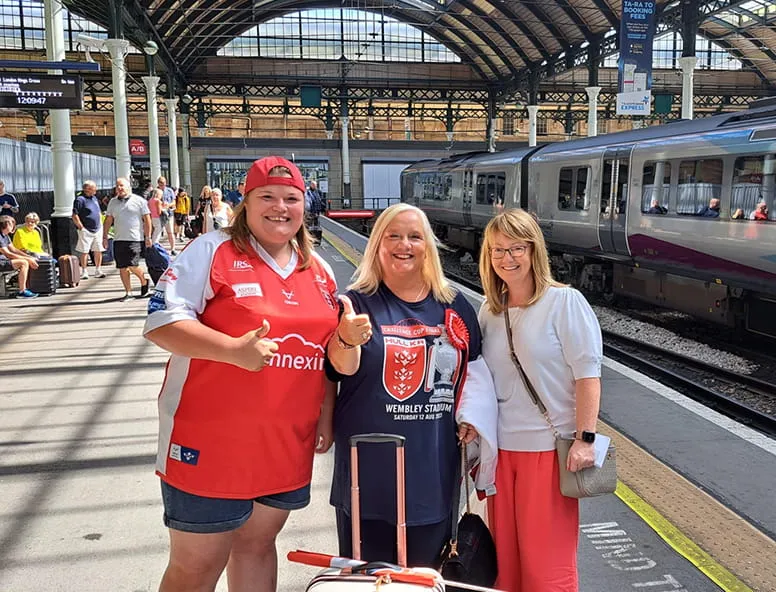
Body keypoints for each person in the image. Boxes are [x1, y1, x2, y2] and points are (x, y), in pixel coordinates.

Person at [143, 156, 358, 592]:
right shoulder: (213, 249)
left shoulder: (317, 270)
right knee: (198, 564)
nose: (280, 207)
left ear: (305, 205)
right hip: (210, 440)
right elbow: (161, 323)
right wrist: (233, 351)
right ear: (246, 202)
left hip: (283, 440)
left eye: (291, 199)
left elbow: (322, 353)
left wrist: (325, 412)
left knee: (257, 545)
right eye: (267, 197)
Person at [326, 202, 497, 567]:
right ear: (377, 245)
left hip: (431, 474)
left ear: (428, 247)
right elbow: (340, 368)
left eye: (414, 236)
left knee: (424, 578)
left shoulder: (454, 306)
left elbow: (476, 374)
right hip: (365, 475)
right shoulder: (354, 303)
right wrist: (344, 338)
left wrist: (472, 417)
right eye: (393, 236)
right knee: (367, 583)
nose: (404, 244)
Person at [477, 209, 602, 592]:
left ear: (534, 251)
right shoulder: (489, 311)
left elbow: (588, 374)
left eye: (517, 247)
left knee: (547, 567)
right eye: (498, 249)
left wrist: (585, 438)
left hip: (549, 452)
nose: (507, 258)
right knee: (506, 566)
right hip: (500, 452)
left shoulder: (564, 302)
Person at [102, 177, 153, 301]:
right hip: (118, 239)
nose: (119, 188)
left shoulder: (139, 201)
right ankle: (128, 292)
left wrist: (148, 236)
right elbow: (108, 220)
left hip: (134, 238)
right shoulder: (113, 202)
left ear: (128, 187)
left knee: (132, 265)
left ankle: (144, 280)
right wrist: (104, 236)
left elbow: (147, 220)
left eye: (122, 186)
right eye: (117, 186)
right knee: (122, 267)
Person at [72, 180, 106, 279]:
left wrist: (101, 223)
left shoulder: (94, 198)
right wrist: (81, 227)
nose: (96, 190)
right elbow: (74, 214)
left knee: (98, 250)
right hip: (86, 229)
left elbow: (98, 211)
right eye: (93, 188)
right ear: (87, 189)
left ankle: (98, 270)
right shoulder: (80, 199)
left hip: (98, 228)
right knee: (84, 251)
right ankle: (84, 271)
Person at [0, 215, 38, 298]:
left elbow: (13, 249)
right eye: (11, 224)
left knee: (26, 260)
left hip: (4, 260)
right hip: (1, 262)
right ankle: (22, 290)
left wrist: (28, 257)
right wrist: (27, 259)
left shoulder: (5, 236)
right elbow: (8, 254)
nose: (13, 226)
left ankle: (26, 288)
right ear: (6, 225)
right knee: (23, 263)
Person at [157, 176, 177, 255]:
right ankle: (156, 249)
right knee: (157, 232)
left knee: (170, 232)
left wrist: (168, 205)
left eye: (164, 183)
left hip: (169, 214)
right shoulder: (155, 191)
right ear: (158, 183)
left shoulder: (169, 191)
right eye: (161, 183)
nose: (163, 185)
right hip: (159, 214)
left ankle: (173, 248)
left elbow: (174, 202)